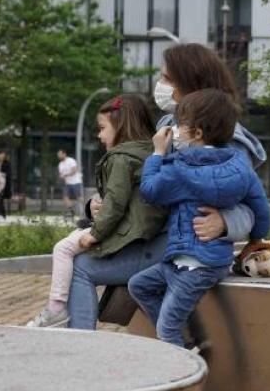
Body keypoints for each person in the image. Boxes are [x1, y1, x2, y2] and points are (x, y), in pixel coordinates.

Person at [67, 43, 269, 330]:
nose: (159, 85)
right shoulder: (167, 123)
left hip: (185, 246)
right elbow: (134, 179)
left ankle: (81, 350)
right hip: (158, 235)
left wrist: (224, 222)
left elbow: (252, 203)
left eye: (166, 78)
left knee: (82, 268)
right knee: (78, 258)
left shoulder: (227, 137)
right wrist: (95, 205)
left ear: (189, 82)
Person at [129, 89, 270, 347]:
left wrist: (157, 153)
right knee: (139, 285)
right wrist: (257, 236)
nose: (176, 130)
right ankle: (189, 339)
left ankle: (184, 374)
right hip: (206, 261)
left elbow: (150, 190)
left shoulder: (179, 169)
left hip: (193, 266)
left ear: (196, 133)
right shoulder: (240, 165)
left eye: (180, 126)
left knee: (166, 329)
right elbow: (260, 205)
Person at [26, 95, 168, 327]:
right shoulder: (151, 151)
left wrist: (95, 234)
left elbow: (116, 203)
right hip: (150, 241)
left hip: (147, 245)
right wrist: (94, 207)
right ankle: (74, 331)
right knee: (73, 257)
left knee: (77, 266)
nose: (99, 135)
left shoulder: (122, 158)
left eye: (102, 128)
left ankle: (79, 337)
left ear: (121, 126)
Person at [57, 148, 84, 218]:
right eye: (58, 155)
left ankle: (86, 209)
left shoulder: (71, 160)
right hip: (68, 183)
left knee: (79, 197)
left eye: (60, 154)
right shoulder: (60, 164)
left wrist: (66, 175)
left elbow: (74, 170)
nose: (59, 156)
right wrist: (62, 177)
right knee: (65, 197)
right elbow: (61, 174)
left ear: (64, 154)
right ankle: (71, 211)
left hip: (76, 182)